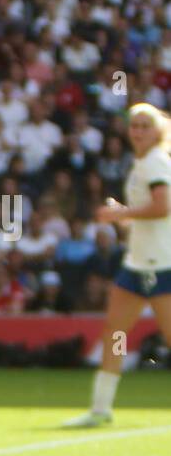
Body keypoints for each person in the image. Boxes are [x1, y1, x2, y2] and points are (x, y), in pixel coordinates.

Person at [65, 103, 171, 426]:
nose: (137, 131)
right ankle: (100, 408)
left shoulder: (154, 162)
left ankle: (100, 408)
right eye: (134, 125)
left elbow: (161, 207)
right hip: (138, 262)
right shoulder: (144, 162)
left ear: (157, 131)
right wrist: (124, 215)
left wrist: (120, 214)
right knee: (115, 332)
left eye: (144, 126)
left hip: (159, 264)